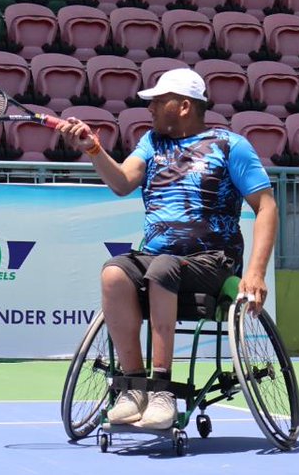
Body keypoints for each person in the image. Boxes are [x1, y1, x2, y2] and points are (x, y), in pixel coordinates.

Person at [56, 67, 277, 430]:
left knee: (162, 269)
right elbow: (123, 182)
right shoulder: (151, 143)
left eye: (159, 102)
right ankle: (133, 388)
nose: (151, 108)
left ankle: (162, 392)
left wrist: (255, 272)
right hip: (160, 255)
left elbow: (266, 206)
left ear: (185, 106)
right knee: (114, 273)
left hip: (213, 260)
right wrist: (93, 149)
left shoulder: (230, 146)